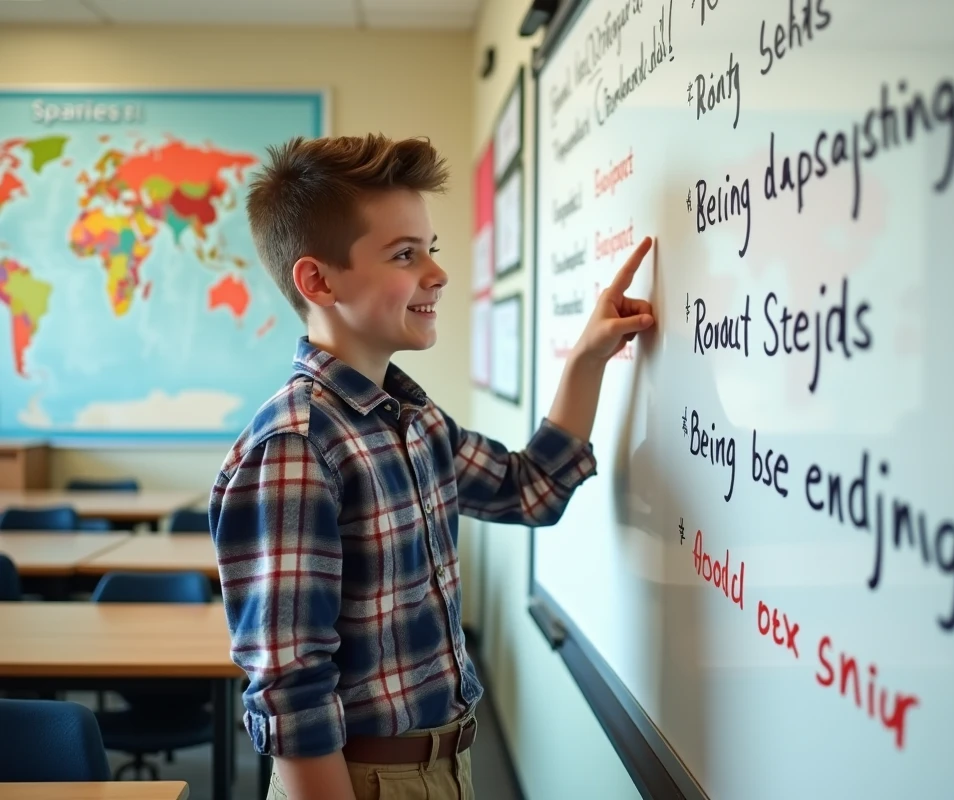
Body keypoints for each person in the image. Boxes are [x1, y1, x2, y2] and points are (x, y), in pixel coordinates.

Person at [209, 132, 655, 800]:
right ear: (318, 280)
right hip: (361, 779)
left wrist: (587, 358)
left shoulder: (412, 420)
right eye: (404, 254)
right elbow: (293, 697)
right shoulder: (297, 444)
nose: (438, 273)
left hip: (443, 764)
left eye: (432, 250)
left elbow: (529, 489)